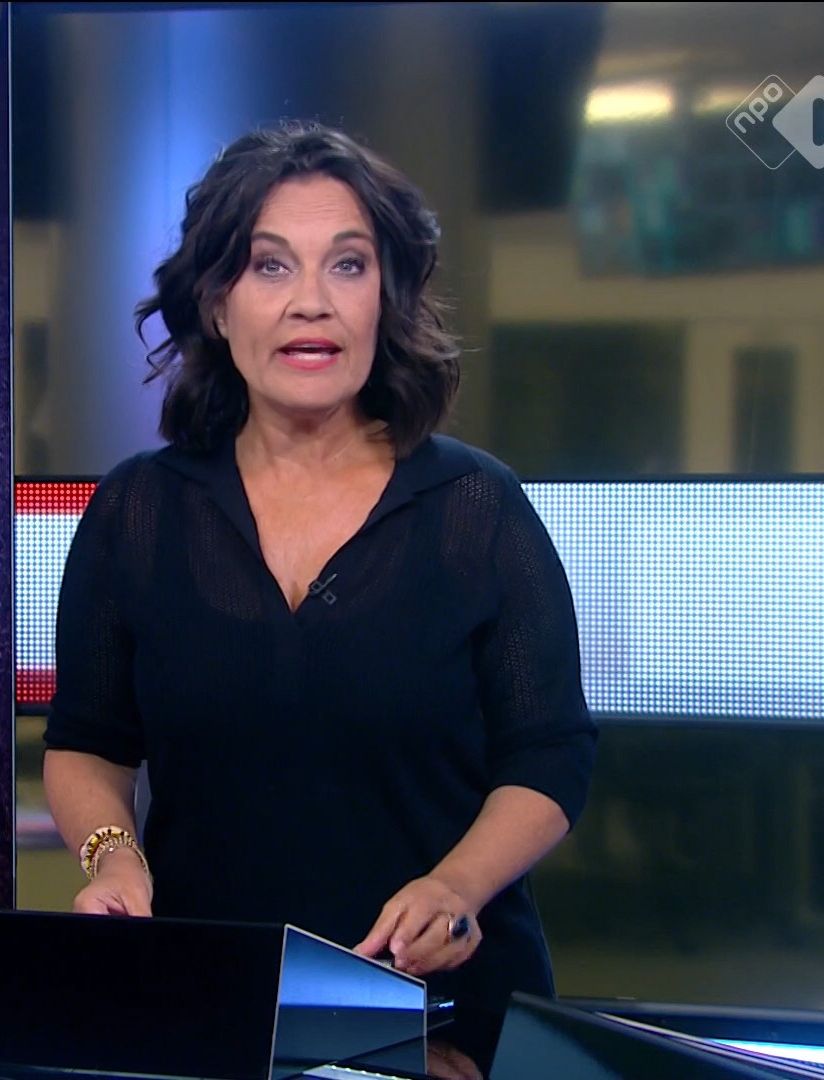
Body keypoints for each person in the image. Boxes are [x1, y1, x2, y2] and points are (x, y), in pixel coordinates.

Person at [42, 121, 597, 1078]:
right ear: (217, 304)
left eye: (348, 265)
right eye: (270, 266)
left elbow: (550, 755)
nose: (312, 301)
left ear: (386, 296)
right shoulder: (138, 512)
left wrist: (457, 887)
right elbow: (88, 742)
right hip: (210, 1013)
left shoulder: (476, 509)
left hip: (440, 1026)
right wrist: (112, 856)